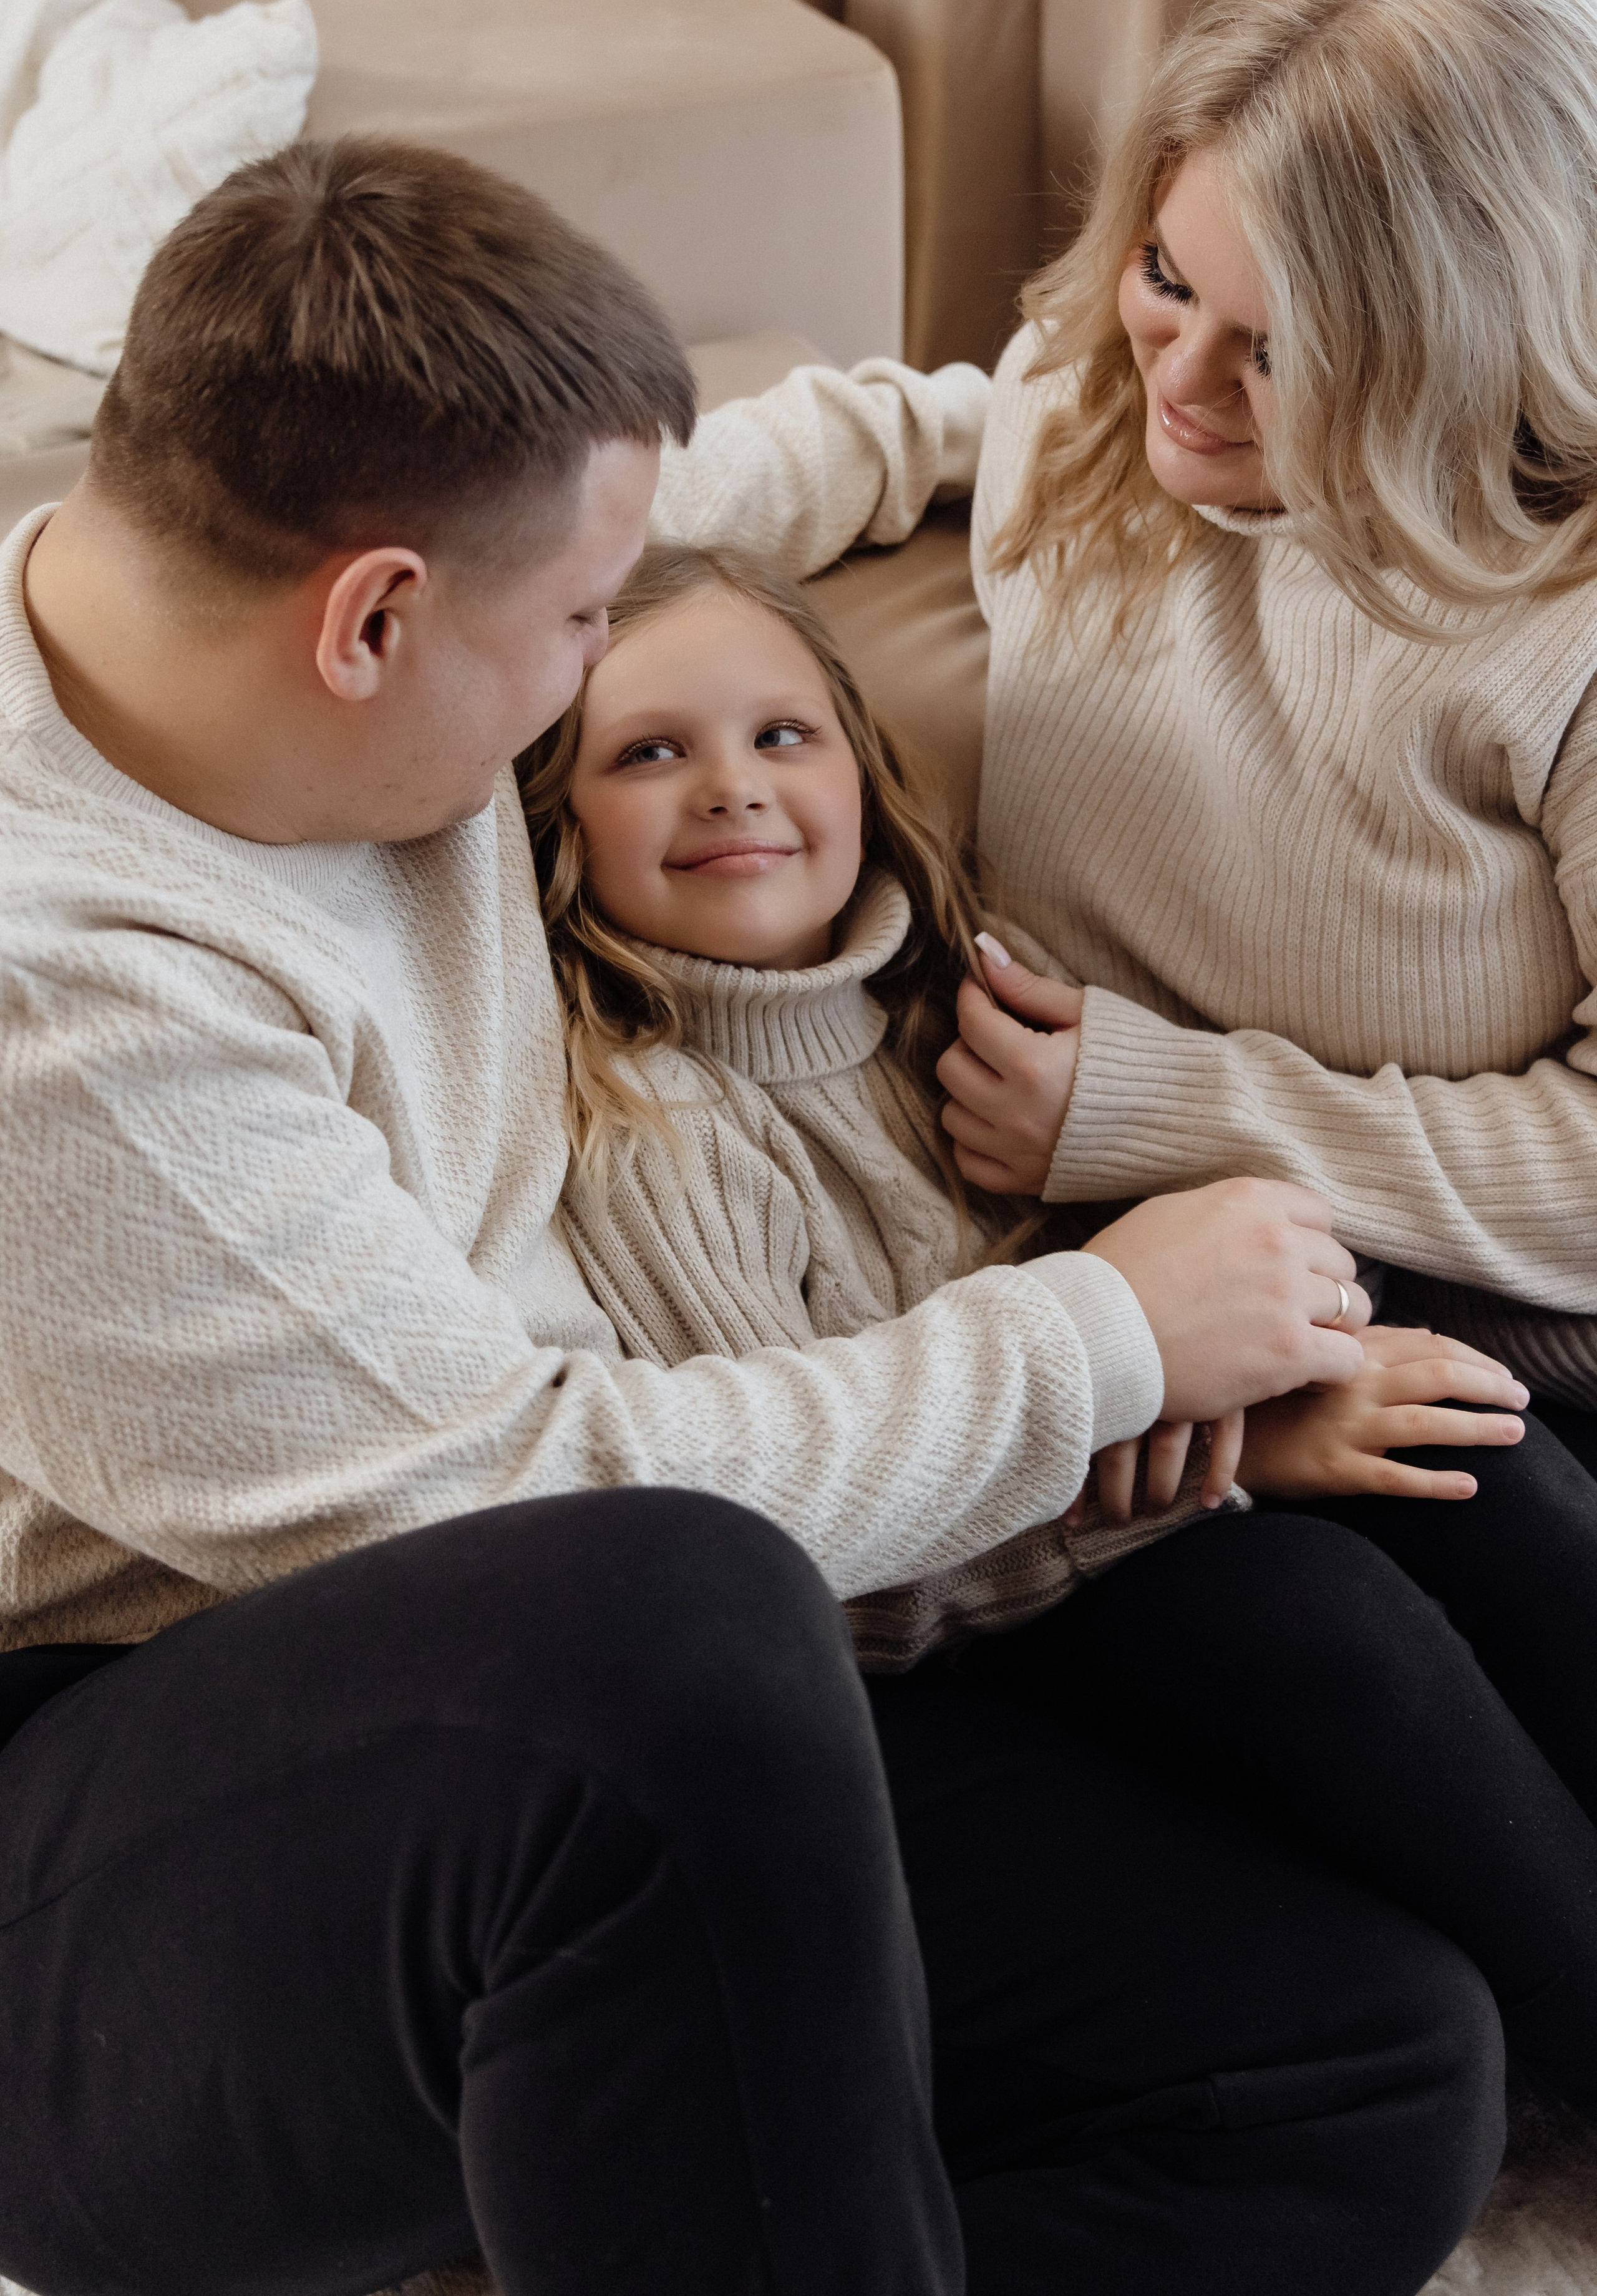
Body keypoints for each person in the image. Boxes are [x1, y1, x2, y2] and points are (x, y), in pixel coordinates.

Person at [0, 134, 1495, 2296]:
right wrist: (1099, 1337)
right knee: (668, 1621)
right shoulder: (67, 1008)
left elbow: (710, 500)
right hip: (108, 1840)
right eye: (586, 631)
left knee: (1361, 2057)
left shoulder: (257, 584)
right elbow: (507, 1507)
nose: (611, 653)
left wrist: (1093, 415)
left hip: (547, 1707)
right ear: (377, 620)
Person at [521, 534, 1597, 2126]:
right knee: (1294, 1611)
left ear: (859, 764)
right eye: (649, 752)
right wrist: (1246, 1457)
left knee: (1469, 1434)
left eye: (780, 734)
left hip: (1141, 1506)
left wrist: (1309, 1360)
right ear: (551, 823)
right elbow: (814, 1549)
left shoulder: (949, 998)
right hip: (963, 1624)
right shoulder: (645, 1129)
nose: (732, 786)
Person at [650, 0, 1597, 1485]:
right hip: (1101, 1282)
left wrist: (1162, 1108)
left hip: (1497, 1344)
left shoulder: (1554, 627)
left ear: (1457, 349)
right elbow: (935, 415)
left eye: (1280, 350)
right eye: (1165, 275)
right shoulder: (1092, 395)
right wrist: (560, 543)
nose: (1175, 377)